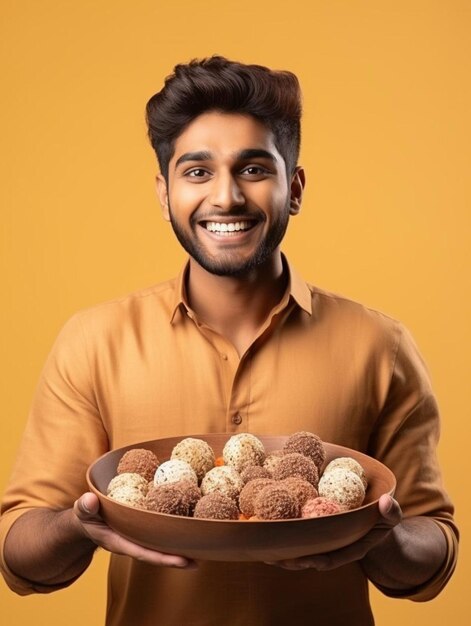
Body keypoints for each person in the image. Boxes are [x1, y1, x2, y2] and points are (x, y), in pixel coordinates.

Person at [0, 56, 458, 626]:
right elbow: (20, 556)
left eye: (253, 169)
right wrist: (83, 524)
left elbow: (431, 555)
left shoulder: (380, 346)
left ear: (293, 189)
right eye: (197, 172)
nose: (226, 198)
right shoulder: (93, 342)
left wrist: (377, 534)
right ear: (164, 193)